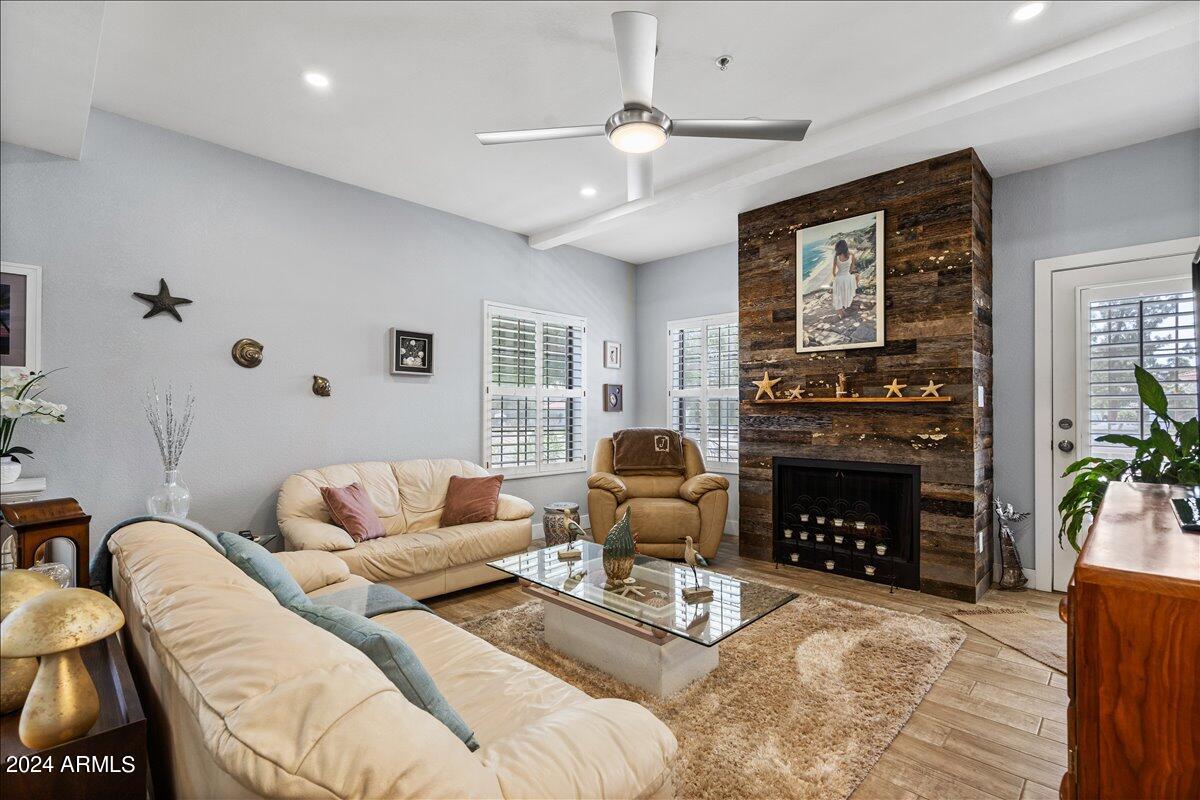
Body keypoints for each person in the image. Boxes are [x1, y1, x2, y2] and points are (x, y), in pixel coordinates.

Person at [831, 239, 858, 318]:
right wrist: (847, 274)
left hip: (839, 278)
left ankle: (841, 313)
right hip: (847, 278)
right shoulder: (851, 255)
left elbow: (833, 272)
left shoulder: (836, 256)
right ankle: (844, 309)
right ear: (846, 247)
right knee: (856, 276)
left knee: (838, 296)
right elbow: (852, 268)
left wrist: (837, 278)